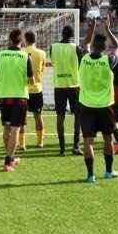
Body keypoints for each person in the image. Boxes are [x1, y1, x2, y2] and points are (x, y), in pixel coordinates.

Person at [78, 17, 118, 183]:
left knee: (88, 141)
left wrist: (93, 26)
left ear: (93, 46)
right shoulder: (108, 60)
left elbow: (85, 44)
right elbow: (117, 46)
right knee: (108, 139)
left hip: (86, 105)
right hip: (105, 106)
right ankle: (109, 171)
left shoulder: (84, 57)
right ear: (104, 47)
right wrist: (108, 29)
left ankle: (90, 175)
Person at [0, 29, 34, 172]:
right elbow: (31, 80)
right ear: (22, 41)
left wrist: (2, 80)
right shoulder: (25, 56)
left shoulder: (0, 54)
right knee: (15, 129)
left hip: (4, 96)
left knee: (7, 127)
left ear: (9, 40)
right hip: (19, 97)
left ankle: (11, 157)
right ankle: (8, 162)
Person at [50, 24, 86, 156]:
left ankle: (62, 149)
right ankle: (76, 146)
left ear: (61, 34)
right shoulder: (76, 48)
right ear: (72, 35)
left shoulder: (53, 47)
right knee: (78, 116)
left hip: (59, 85)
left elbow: (53, 62)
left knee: (60, 116)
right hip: (74, 85)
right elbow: (81, 64)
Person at [23, 31, 46, 149]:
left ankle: (21, 144)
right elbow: (42, 70)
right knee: (38, 115)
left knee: (22, 117)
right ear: (35, 39)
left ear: (25, 40)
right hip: (37, 89)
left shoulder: (21, 53)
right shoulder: (42, 53)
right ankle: (40, 142)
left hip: (23, 90)